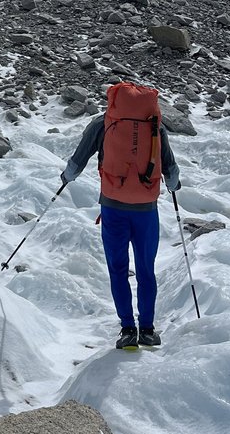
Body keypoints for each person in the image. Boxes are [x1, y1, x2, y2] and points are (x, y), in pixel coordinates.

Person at [61, 82, 181, 350]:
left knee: (118, 269)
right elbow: (171, 169)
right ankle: (147, 330)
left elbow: (78, 161)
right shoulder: (155, 125)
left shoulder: (103, 123)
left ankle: (127, 330)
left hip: (113, 207)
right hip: (146, 210)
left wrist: (66, 178)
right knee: (146, 269)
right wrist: (173, 186)